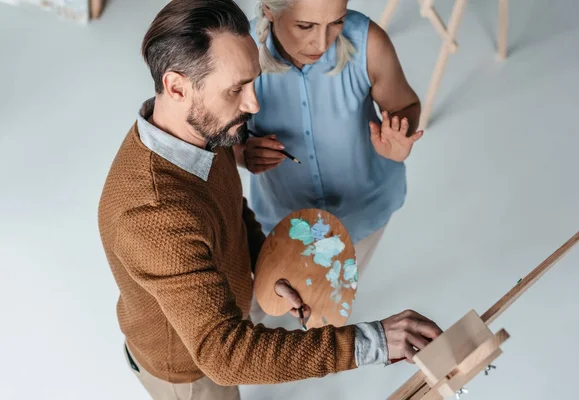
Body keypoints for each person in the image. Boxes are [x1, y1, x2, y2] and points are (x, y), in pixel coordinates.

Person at [98, 1, 442, 399]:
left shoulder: (202, 132)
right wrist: (375, 341)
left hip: (220, 321)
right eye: (236, 90)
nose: (254, 105)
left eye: (252, 82)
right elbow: (224, 357)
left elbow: (231, 208)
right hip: (189, 373)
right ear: (176, 87)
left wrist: (269, 264)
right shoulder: (152, 214)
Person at [234, 0, 423, 274]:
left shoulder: (368, 41)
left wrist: (398, 137)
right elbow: (216, 138)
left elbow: (405, 106)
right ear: (268, 10)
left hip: (363, 212)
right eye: (305, 26)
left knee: (330, 302)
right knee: (263, 302)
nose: (322, 44)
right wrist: (242, 153)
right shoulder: (241, 51)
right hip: (282, 217)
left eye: (336, 22)